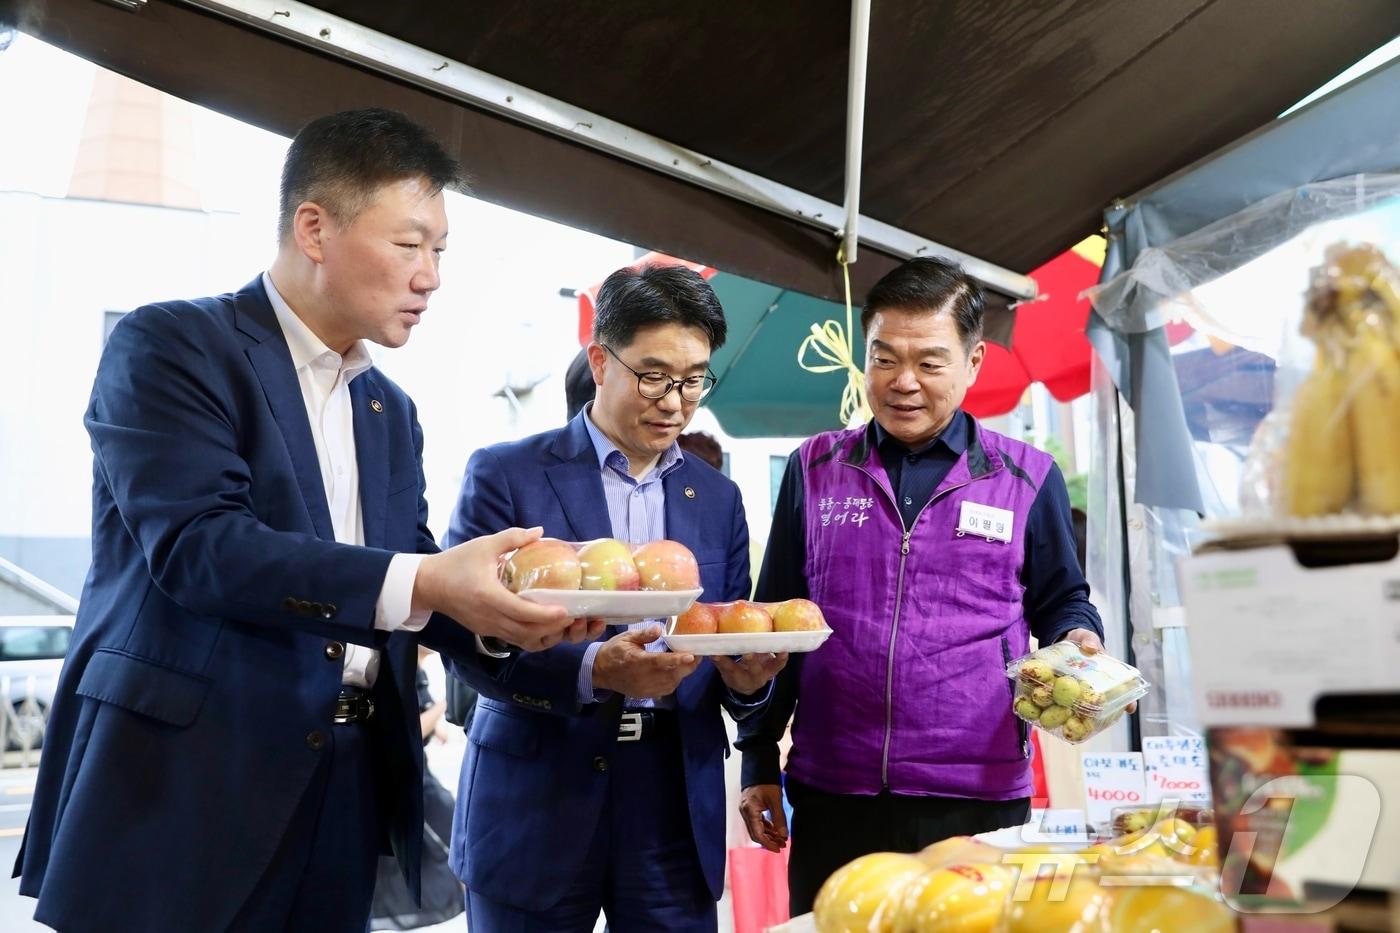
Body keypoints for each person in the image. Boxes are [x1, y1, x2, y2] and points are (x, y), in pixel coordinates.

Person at [15, 108, 591, 933]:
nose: (431, 276)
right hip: (187, 782)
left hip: (347, 784)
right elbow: (202, 547)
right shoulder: (176, 345)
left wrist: (547, 637)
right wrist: (430, 578)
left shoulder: (389, 408)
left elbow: (410, 576)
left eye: (442, 251)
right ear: (314, 228)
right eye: (409, 244)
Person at [735, 256, 1117, 914]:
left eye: (930, 362)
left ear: (973, 362)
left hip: (978, 797)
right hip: (834, 791)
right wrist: (758, 755)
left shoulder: (1026, 475)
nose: (903, 382)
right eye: (884, 358)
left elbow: (1062, 600)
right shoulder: (815, 468)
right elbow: (779, 620)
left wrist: (1078, 637)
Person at [446, 262, 787, 932]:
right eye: (654, 375)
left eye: (694, 379)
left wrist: (748, 684)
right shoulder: (506, 475)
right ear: (600, 361)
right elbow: (464, 642)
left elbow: (721, 631)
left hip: (670, 802)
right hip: (535, 798)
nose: (675, 400)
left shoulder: (718, 500)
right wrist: (593, 668)